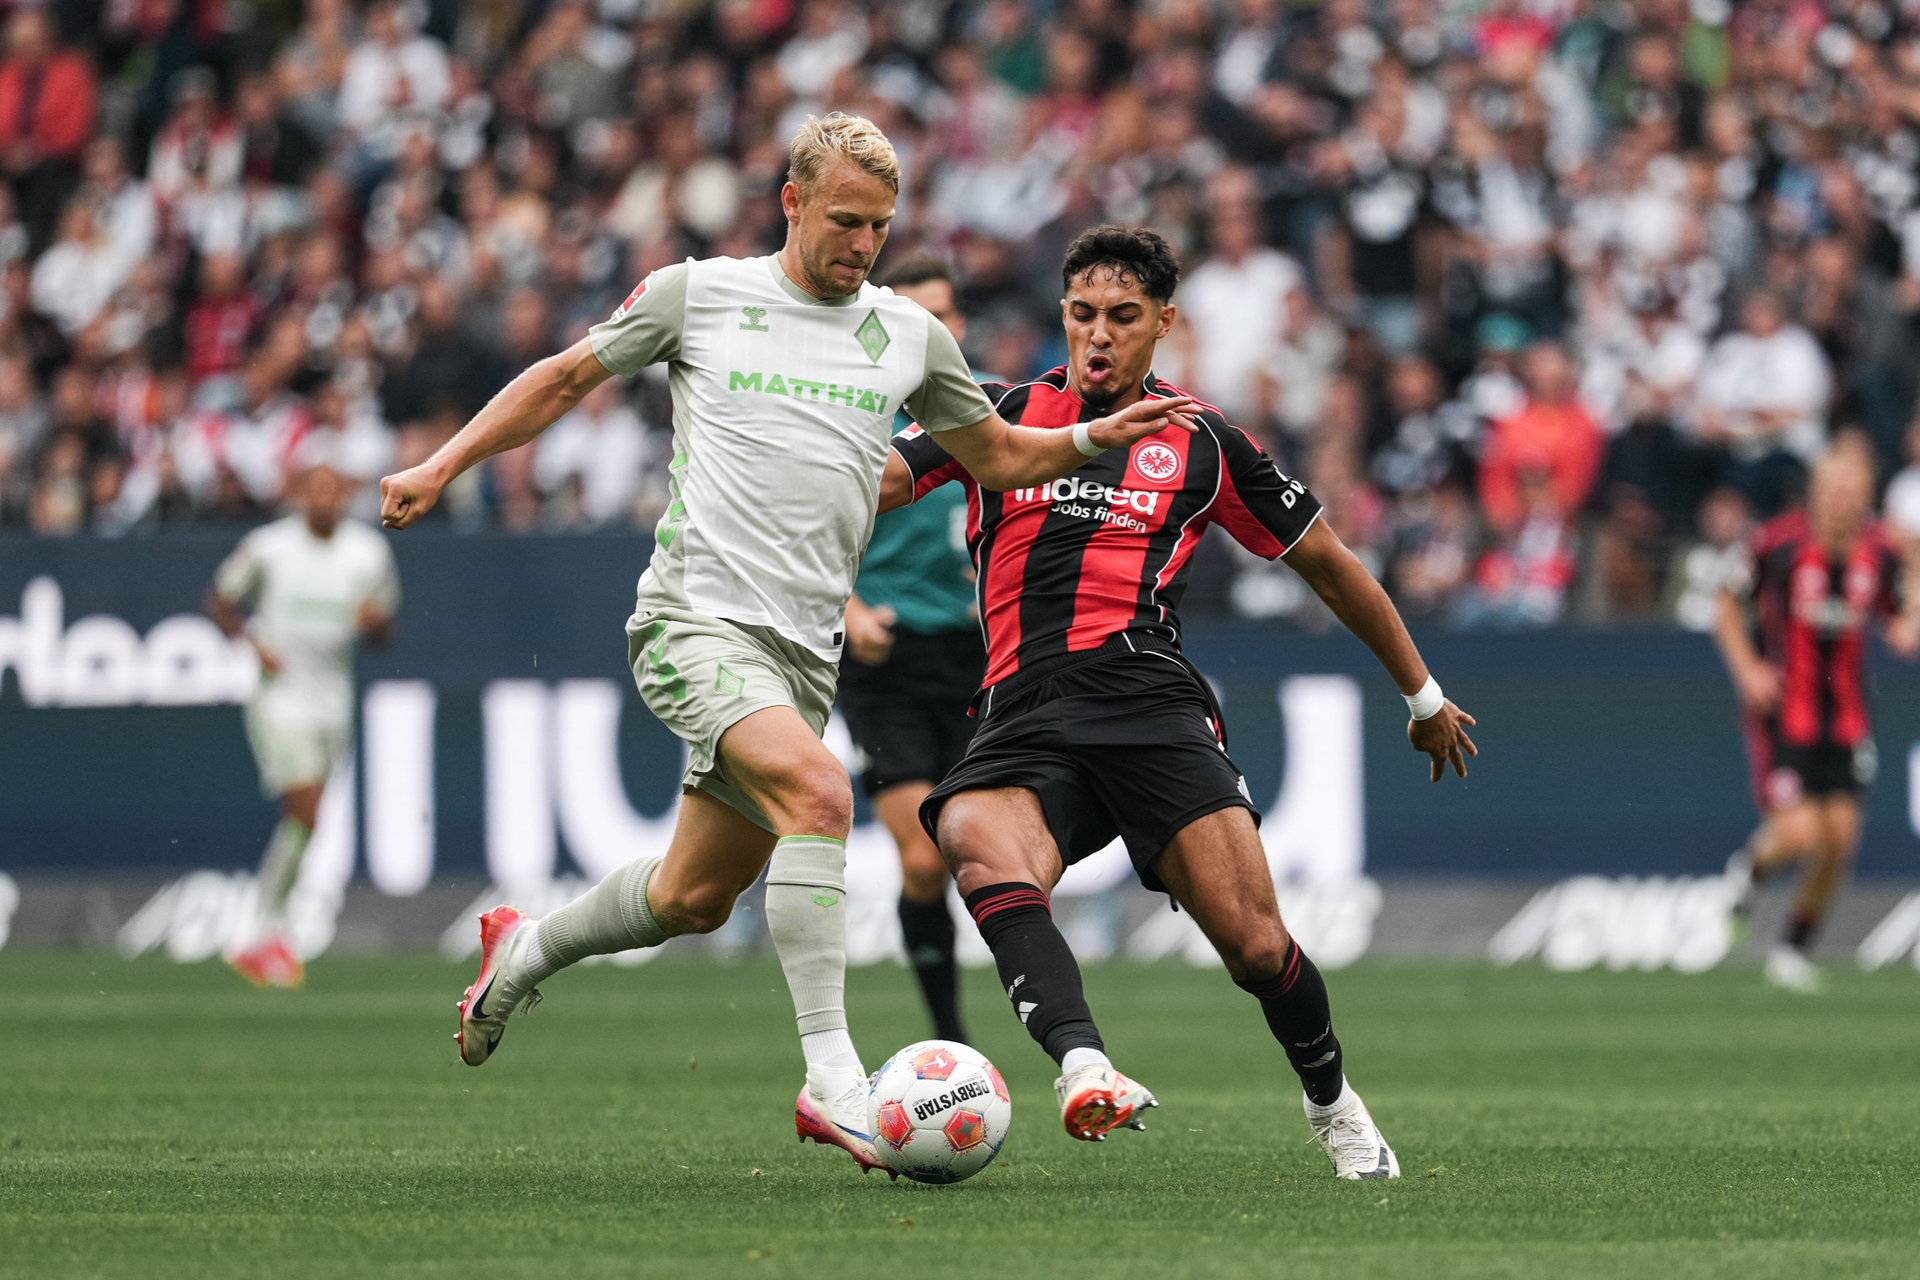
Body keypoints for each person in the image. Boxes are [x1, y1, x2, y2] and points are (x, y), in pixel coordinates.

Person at [375, 114, 1194, 1174]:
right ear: (792, 203)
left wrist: (1087, 436)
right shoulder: (697, 295)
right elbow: (566, 377)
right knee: (820, 792)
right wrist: (442, 464)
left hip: (803, 655)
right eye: (846, 219)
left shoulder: (907, 333)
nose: (864, 243)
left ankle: (524, 949)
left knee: (691, 896)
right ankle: (833, 1081)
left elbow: (994, 454)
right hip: (693, 621)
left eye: (881, 225)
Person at [879, 225, 1478, 1180]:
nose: (1098, 335)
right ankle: (1085, 1067)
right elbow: (877, 482)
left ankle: (1333, 1104)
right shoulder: (999, 414)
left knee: (1255, 946)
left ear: (1164, 322)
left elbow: (1330, 564)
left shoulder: (1204, 441)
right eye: (1082, 314)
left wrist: (1423, 695)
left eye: (1122, 317)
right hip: (1021, 706)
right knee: (973, 837)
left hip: (1147, 699)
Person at [840, 254, 988, 1046]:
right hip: (885, 662)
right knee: (926, 861)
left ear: (960, 323)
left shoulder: (996, 410)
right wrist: (849, 608)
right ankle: (951, 1038)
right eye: (915, 314)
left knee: (985, 852)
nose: (933, 328)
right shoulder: (851, 412)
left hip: (978, 660)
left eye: (944, 314)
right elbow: (801, 530)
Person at [1716, 446, 1919, 992]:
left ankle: (1793, 948)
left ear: (1866, 496)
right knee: (1800, 832)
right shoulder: (1776, 544)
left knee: (1840, 842)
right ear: (1815, 491)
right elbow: (1726, 603)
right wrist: (1748, 669)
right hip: (1787, 713)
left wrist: (1909, 611)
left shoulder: (1879, 553)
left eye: (1852, 490)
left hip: (1848, 717)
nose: (1841, 500)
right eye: (1833, 488)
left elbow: (1902, 618)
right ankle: (1751, 870)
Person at [206, 443, 399, 988]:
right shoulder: (269, 548)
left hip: (333, 700)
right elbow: (220, 598)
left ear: (343, 498)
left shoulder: (368, 553)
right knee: (307, 810)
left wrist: (374, 623)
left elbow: (384, 630)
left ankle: (269, 931)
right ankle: (261, 932)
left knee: (308, 821)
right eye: (315, 490)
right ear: (299, 496)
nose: (324, 500)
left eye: (333, 491)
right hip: (282, 696)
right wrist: (250, 642)